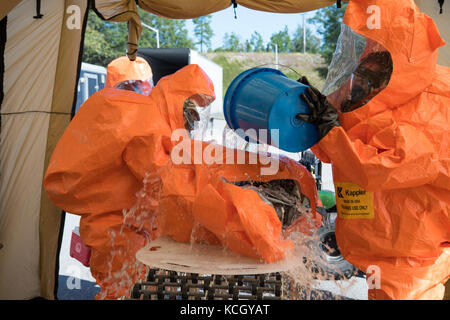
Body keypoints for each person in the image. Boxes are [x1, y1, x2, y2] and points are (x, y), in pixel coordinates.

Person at [297, 0, 450, 299]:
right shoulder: (372, 90)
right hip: (381, 246)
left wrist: (329, 132)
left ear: (401, 53)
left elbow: (386, 166)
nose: (365, 63)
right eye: (362, 48)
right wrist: (311, 117)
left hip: (414, 258)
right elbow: (333, 149)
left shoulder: (437, 101)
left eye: (376, 52)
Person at [44, 57, 216, 299]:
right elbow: (165, 179)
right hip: (120, 233)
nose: (192, 117)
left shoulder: (123, 112)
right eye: (190, 107)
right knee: (123, 292)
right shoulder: (142, 120)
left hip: (121, 229)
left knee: (132, 289)